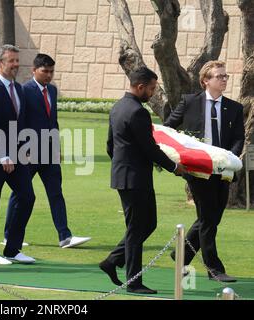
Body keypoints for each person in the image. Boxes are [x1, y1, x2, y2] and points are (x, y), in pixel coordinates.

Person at [100, 67, 186, 294]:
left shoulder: (118, 107)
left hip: (125, 176)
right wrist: (174, 167)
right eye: (151, 88)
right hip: (135, 178)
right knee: (137, 228)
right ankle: (133, 282)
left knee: (146, 224)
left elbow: (111, 145)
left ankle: (112, 261)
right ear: (140, 87)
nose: (153, 93)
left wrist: (122, 165)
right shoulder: (138, 112)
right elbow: (149, 148)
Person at [164, 60, 244, 282]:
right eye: (219, 76)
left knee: (211, 217)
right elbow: (170, 128)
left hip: (224, 170)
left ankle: (182, 255)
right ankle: (214, 268)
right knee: (208, 218)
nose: (224, 79)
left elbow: (238, 137)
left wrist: (231, 157)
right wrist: (180, 154)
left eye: (225, 76)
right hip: (198, 170)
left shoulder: (234, 108)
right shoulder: (190, 102)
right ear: (205, 81)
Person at [2, 54, 91, 248]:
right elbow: (19, 121)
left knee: (55, 192)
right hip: (28, 152)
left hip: (49, 152)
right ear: (34, 70)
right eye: (45, 71)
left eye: (51, 71)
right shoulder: (24, 91)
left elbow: (53, 122)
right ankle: (9, 236)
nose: (49, 75)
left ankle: (65, 236)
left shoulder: (52, 90)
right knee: (20, 193)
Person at [0, 44, 36, 265]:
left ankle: (12, 249)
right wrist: (3, 156)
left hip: (18, 156)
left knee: (27, 197)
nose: (16, 65)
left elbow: (22, 123)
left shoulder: (19, 89)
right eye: (11, 61)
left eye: (17, 60)